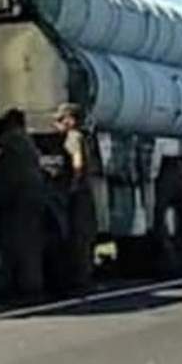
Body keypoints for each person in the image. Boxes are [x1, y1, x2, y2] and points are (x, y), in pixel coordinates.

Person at [0, 109, 45, 300]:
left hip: (20, 195)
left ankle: (24, 286)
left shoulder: (10, 138)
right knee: (31, 240)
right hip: (35, 193)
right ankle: (33, 284)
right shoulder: (27, 140)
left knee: (19, 239)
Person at [53, 102, 98, 289]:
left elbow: (77, 163)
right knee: (85, 235)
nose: (58, 123)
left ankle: (80, 279)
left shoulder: (73, 137)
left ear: (70, 120)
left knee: (78, 236)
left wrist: (73, 183)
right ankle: (84, 275)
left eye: (61, 119)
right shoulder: (84, 136)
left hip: (79, 193)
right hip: (85, 191)